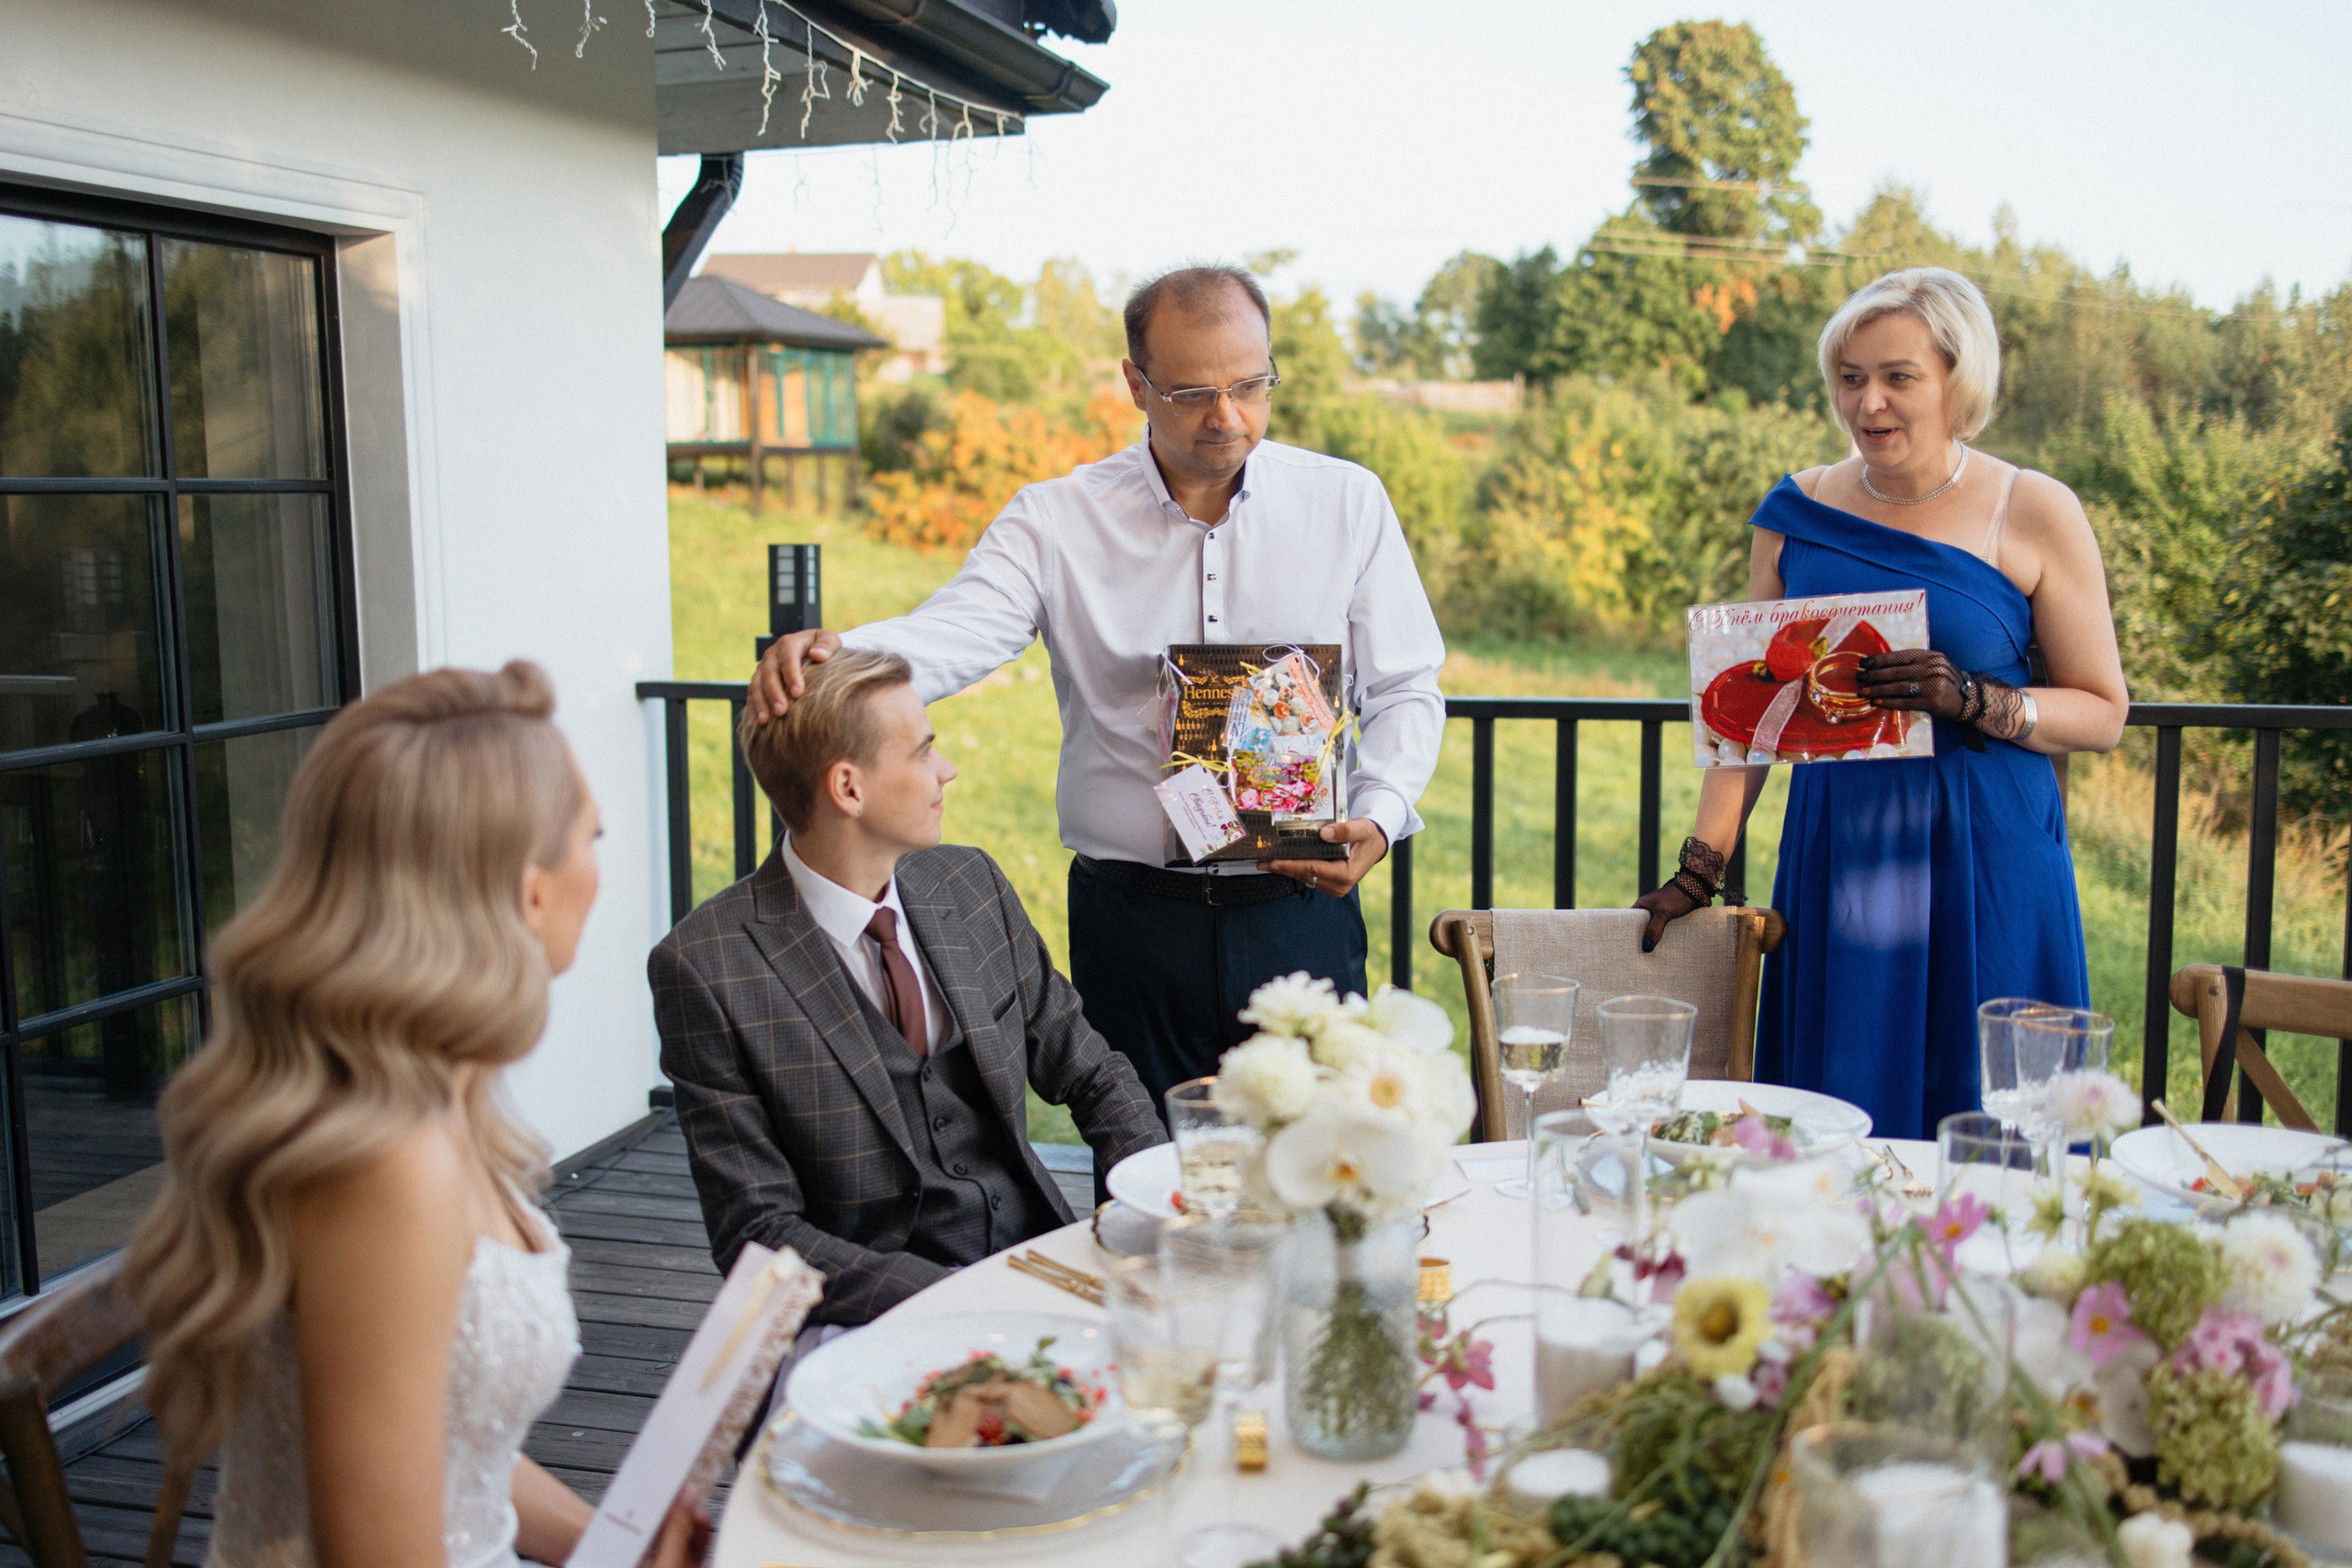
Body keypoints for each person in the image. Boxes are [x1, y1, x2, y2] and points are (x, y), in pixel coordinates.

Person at [743, 265, 1447, 1114]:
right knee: (1144, 1175)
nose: (1227, 416)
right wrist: (836, 652)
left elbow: (1407, 683)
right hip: (1132, 923)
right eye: (1191, 391)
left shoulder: (1347, 502)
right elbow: (956, 632)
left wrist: (1380, 811)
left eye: (1251, 385)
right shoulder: (1056, 518)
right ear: (1135, 384)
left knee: (1316, 1169)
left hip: (1297, 910)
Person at [126, 663, 705, 1568]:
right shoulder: (390, 1165)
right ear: (528, 890)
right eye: (591, 837)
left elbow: (444, 1445)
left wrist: (612, 1546)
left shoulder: (430, 1101)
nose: (601, 862)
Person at [1635, 267, 2129, 1142]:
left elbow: (2103, 709)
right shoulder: (1794, 511)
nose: (1871, 403)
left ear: (1956, 380)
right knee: (1839, 1108)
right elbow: (1749, 715)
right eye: (1851, 379)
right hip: (1844, 857)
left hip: (1990, 851)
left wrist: (1976, 698)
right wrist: (1698, 870)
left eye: (1899, 377)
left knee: (1996, 1119)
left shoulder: (2036, 508)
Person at [652, 649, 1166, 1326]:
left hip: (1043, 1274)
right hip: (866, 1324)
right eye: (924, 751)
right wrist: (954, 1302)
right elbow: (757, 1230)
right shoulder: (708, 967)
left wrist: (1156, 1208)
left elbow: (1094, 1073)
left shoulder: (970, 884)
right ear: (848, 788)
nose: (946, 769)